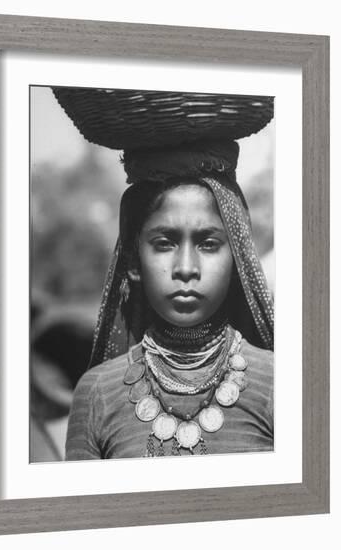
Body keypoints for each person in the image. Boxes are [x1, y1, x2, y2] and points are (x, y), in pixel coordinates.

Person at [51, 89, 275, 460]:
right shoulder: (96, 394)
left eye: (207, 243)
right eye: (165, 242)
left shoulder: (280, 386)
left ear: (237, 260)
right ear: (134, 264)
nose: (186, 268)